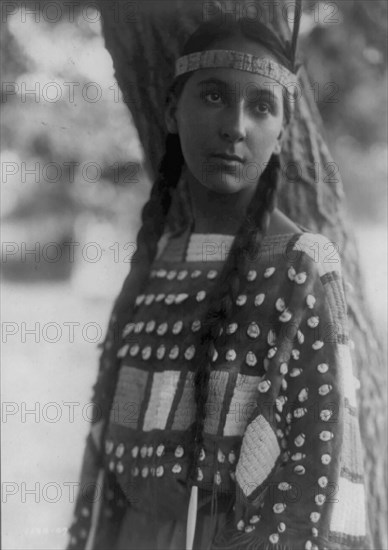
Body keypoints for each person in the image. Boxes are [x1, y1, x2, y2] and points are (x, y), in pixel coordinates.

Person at [67, 13, 371, 550]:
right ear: (171, 111)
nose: (236, 125)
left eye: (261, 106)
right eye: (213, 97)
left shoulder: (302, 268)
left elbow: (309, 487)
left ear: (281, 133)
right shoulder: (154, 267)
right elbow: (102, 467)